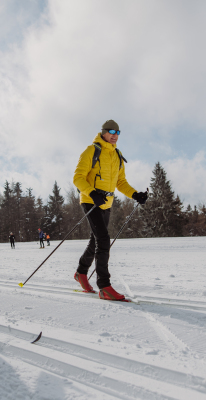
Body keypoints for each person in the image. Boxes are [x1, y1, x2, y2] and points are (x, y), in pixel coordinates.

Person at [73, 120, 147, 301]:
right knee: (103, 240)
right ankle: (104, 286)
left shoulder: (118, 155)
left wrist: (135, 194)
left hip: (106, 203)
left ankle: (81, 273)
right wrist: (91, 193)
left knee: (96, 240)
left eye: (118, 132)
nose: (115, 135)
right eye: (112, 131)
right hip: (91, 200)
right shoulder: (91, 150)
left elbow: (120, 183)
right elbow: (78, 178)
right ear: (104, 132)